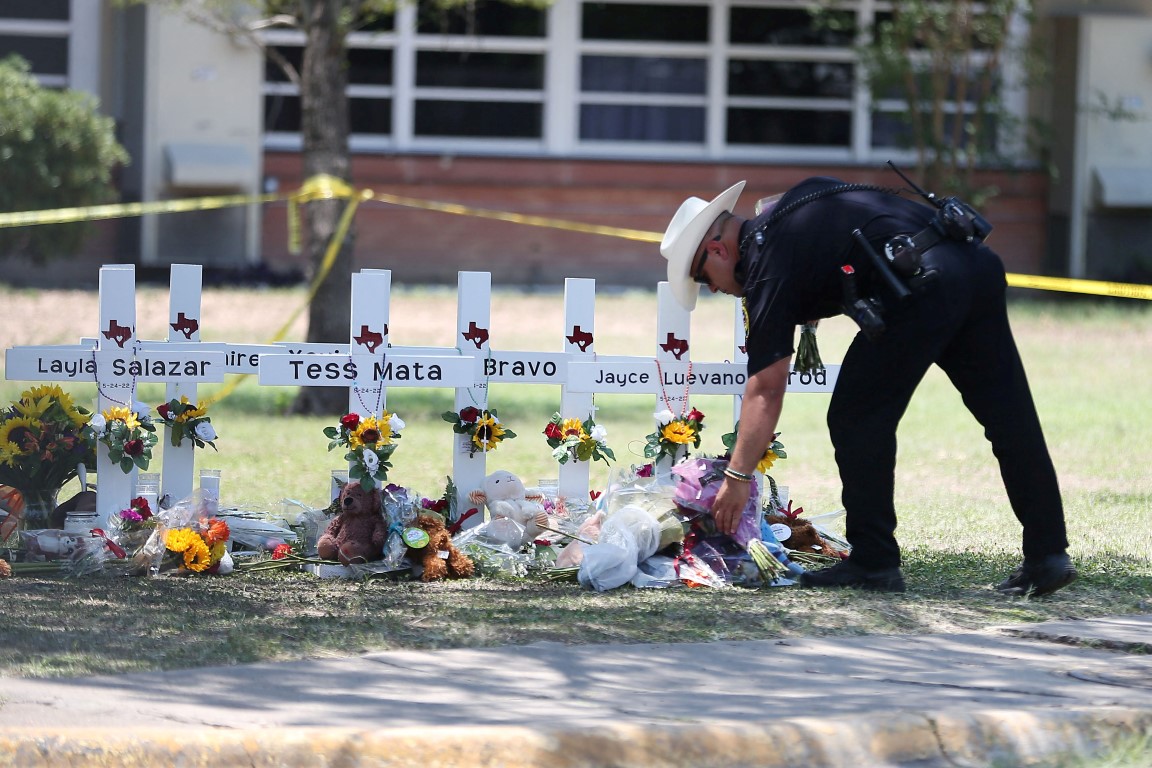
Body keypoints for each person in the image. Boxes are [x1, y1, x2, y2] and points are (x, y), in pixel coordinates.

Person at [659, 176, 1076, 596]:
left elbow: (766, 388)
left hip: (921, 288)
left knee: (855, 417)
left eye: (703, 278)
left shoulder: (766, 259)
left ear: (717, 249)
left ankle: (874, 562)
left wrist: (736, 477)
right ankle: (1048, 554)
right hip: (974, 265)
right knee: (1010, 418)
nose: (714, 288)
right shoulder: (798, 203)